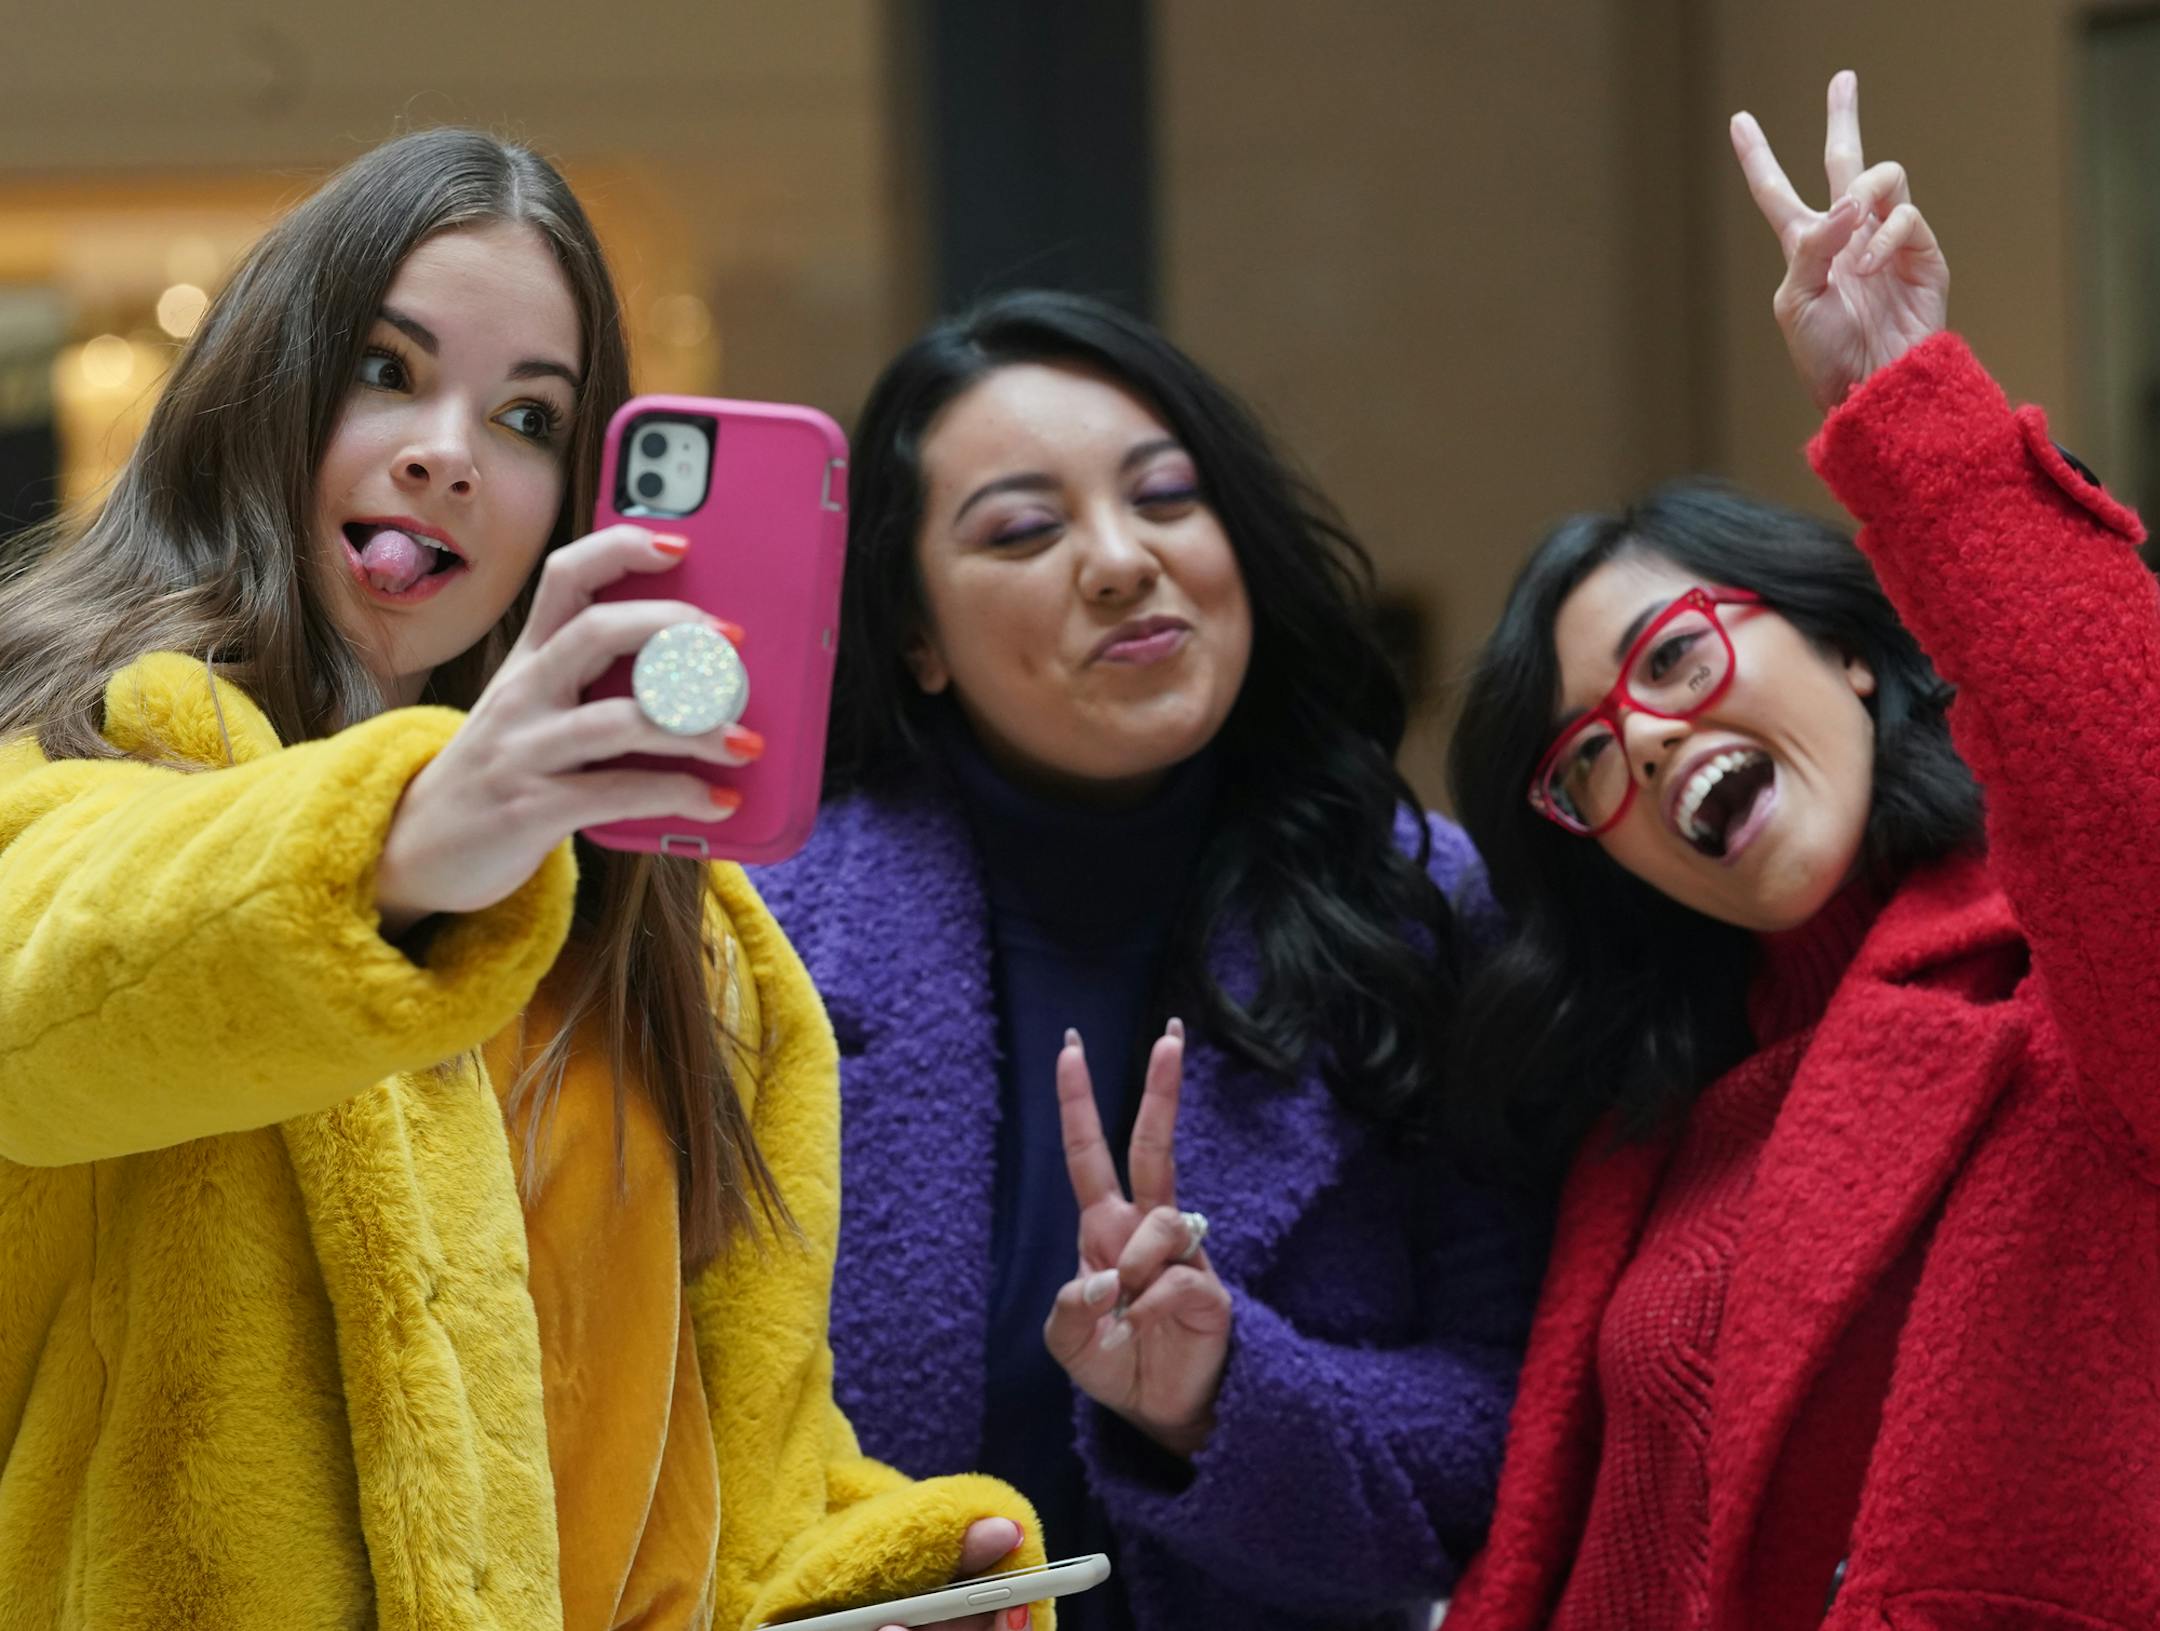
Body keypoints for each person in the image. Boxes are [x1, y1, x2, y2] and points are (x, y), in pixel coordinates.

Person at [0, 128, 1048, 1631]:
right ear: (264, 390)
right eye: (384, 371)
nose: (446, 450)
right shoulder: (79, 747)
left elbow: (720, 1472)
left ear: (571, 500)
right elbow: (42, 999)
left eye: (528, 417)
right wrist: (420, 828)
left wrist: (869, 1580)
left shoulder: (685, 949)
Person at [1442, 73, 2160, 1630]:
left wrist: (1915, 407)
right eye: (1581, 762)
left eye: (1677, 659)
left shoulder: (2062, 998)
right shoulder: (1655, 1129)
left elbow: (2126, 795)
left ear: (1843, 649)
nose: (1636, 739)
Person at [754, 290, 1536, 1631]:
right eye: (1023, 528)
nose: (1120, 560)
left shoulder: (1424, 914)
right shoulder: (758, 938)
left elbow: (1515, 1434)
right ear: (916, 639)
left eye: (1167, 498)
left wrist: (1219, 1392)